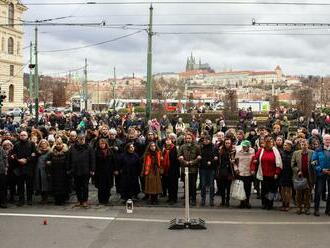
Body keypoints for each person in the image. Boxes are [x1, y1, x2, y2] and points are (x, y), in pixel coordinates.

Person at [252, 135, 282, 210]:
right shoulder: (261, 150)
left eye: (270, 142)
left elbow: (279, 162)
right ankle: (264, 203)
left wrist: (277, 173)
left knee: (271, 190)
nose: (269, 144)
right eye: (267, 142)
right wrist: (255, 162)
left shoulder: (275, 151)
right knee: (264, 190)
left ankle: (270, 203)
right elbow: (255, 158)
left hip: (272, 174)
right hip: (263, 173)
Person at [68, 133, 95, 208]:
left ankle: (85, 201)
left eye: (83, 139)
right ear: (78, 139)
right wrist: (69, 169)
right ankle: (79, 200)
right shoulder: (73, 147)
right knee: (77, 186)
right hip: (76, 170)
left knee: (85, 186)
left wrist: (92, 169)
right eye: (80, 139)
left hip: (86, 170)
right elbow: (69, 158)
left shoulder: (89, 148)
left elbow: (92, 159)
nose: (82, 140)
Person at [12, 131, 36, 206]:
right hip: (19, 168)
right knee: (20, 186)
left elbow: (34, 154)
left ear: (27, 136)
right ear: (19, 136)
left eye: (24, 135)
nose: (22, 136)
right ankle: (21, 200)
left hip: (28, 167)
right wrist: (18, 160)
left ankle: (29, 200)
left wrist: (27, 160)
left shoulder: (32, 144)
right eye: (21, 135)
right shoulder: (16, 144)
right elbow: (14, 154)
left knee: (29, 185)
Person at [291, 139, 314, 215]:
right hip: (299, 177)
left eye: (305, 145)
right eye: (302, 145)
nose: (304, 146)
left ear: (308, 145)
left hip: (309, 177)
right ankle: (299, 208)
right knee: (299, 194)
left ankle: (307, 208)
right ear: (300, 145)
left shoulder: (312, 153)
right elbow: (293, 164)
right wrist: (298, 170)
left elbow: (315, 162)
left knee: (308, 194)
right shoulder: (296, 153)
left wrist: (314, 163)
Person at [178, 133, 201, 206]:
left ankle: (193, 199)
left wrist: (192, 162)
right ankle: (187, 200)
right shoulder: (182, 147)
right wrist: (185, 162)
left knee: (193, 185)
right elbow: (179, 156)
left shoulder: (197, 147)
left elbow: (199, 156)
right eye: (187, 138)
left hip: (193, 169)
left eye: (189, 138)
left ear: (192, 139)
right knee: (186, 185)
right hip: (185, 169)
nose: (188, 140)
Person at [47, 137, 70, 205]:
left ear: (62, 144)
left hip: (63, 172)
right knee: (56, 187)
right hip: (55, 172)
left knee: (63, 187)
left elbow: (68, 161)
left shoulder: (66, 152)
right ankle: (57, 200)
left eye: (60, 144)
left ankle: (63, 200)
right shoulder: (52, 152)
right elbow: (48, 161)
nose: (58, 145)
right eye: (57, 144)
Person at [94, 138, 117, 205]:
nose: (102, 145)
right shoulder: (96, 151)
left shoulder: (110, 151)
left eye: (103, 143)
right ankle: (101, 200)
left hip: (109, 172)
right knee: (101, 187)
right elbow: (95, 162)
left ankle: (106, 199)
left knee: (108, 186)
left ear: (106, 144)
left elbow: (114, 161)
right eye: (101, 144)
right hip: (100, 172)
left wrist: (115, 169)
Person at [313, 134, 330, 216]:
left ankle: (328, 210)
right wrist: (320, 169)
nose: (328, 141)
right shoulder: (318, 150)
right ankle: (316, 209)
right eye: (326, 139)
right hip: (321, 174)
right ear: (323, 141)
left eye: (329, 139)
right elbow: (313, 162)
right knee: (318, 192)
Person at [234, 140, 255, 209]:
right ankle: (242, 202)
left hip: (249, 172)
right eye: (243, 146)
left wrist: (253, 169)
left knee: (248, 188)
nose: (244, 148)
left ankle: (247, 202)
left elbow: (254, 161)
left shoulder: (252, 151)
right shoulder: (238, 152)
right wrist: (236, 169)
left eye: (245, 147)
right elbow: (235, 162)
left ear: (248, 146)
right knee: (241, 188)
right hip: (241, 172)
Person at [217, 138, 235, 207]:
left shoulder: (233, 151)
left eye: (229, 143)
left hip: (229, 171)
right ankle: (223, 200)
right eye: (226, 143)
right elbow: (219, 161)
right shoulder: (221, 151)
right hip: (222, 171)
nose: (227, 144)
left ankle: (227, 201)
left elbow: (236, 160)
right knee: (222, 187)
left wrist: (233, 161)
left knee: (228, 187)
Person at [200, 135, 217, 207]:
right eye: (204, 140)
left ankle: (211, 199)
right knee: (203, 185)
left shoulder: (214, 148)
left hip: (211, 168)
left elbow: (216, 158)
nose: (205, 141)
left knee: (211, 185)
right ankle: (203, 199)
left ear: (210, 140)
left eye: (207, 140)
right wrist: (205, 162)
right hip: (203, 168)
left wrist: (211, 161)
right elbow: (199, 157)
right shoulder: (201, 147)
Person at [161, 137, 180, 204]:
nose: (168, 141)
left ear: (172, 141)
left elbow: (176, 159)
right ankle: (170, 197)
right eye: (167, 140)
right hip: (166, 170)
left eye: (169, 140)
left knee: (173, 185)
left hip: (173, 170)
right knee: (168, 185)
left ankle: (174, 199)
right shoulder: (164, 149)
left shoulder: (174, 148)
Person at [34, 139, 51, 204]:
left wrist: (50, 162)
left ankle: (46, 198)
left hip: (46, 170)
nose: (43, 144)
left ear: (47, 144)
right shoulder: (38, 152)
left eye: (45, 143)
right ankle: (42, 198)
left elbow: (51, 160)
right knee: (39, 184)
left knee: (46, 184)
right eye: (42, 143)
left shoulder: (49, 152)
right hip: (38, 170)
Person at [279, 140, 294, 211]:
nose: (284, 146)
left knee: (288, 189)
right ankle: (283, 203)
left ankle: (287, 204)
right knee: (282, 189)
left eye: (286, 145)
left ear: (290, 146)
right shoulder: (281, 153)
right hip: (282, 173)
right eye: (284, 145)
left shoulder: (293, 153)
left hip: (290, 173)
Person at [0, 142, 8, 208]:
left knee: (2, 187)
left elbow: (5, 159)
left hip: (1, 171)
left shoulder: (1, 150)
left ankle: (3, 202)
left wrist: (6, 168)